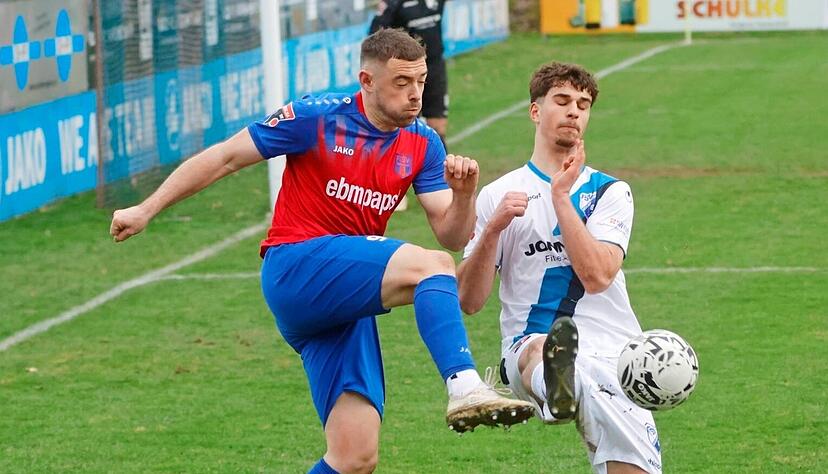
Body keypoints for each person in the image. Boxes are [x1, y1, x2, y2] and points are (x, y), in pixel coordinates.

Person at [109, 29, 533, 474]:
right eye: (401, 82)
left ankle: (455, 392)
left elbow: (452, 233)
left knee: (355, 457)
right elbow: (225, 157)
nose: (415, 94)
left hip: (344, 301)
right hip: (295, 266)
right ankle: (464, 385)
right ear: (366, 81)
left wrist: (463, 196)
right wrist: (146, 208)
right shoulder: (316, 116)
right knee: (433, 266)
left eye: (421, 81)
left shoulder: (422, 142)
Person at [457, 62, 662, 474]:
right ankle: (557, 387)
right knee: (544, 349)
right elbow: (469, 300)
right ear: (536, 111)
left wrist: (561, 199)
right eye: (563, 101)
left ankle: (563, 388)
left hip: (616, 354)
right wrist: (492, 230)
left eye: (583, 105)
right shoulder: (498, 195)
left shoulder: (609, 192)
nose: (574, 111)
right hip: (528, 347)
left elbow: (598, 276)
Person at [369, 1, 448, 147]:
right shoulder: (393, 3)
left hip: (435, 67)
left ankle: (438, 161)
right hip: (407, 72)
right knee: (407, 126)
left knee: (438, 126)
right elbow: (375, 35)